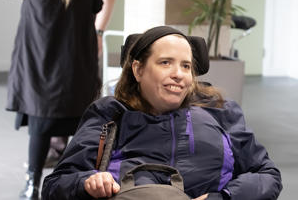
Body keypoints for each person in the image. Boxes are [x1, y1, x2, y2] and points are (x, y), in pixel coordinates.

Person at [41, 26, 282, 200]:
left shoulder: (219, 112)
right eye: (166, 62)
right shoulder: (110, 115)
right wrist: (87, 183)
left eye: (186, 66)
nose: (178, 73)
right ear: (138, 69)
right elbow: (55, 185)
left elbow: (267, 176)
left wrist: (221, 198)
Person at [5, 0, 102, 199]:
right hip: (74, 62)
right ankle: (67, 184)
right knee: (73, 122)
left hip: (41, 60)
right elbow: (96, 5)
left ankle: (33, 185)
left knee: (41, 123)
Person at [45, 0, 119, 169]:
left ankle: (87, 154)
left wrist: (98, 32)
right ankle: (58, 148)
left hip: (84, 34)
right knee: (62, 89)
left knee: (83, 91)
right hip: (64, 33)